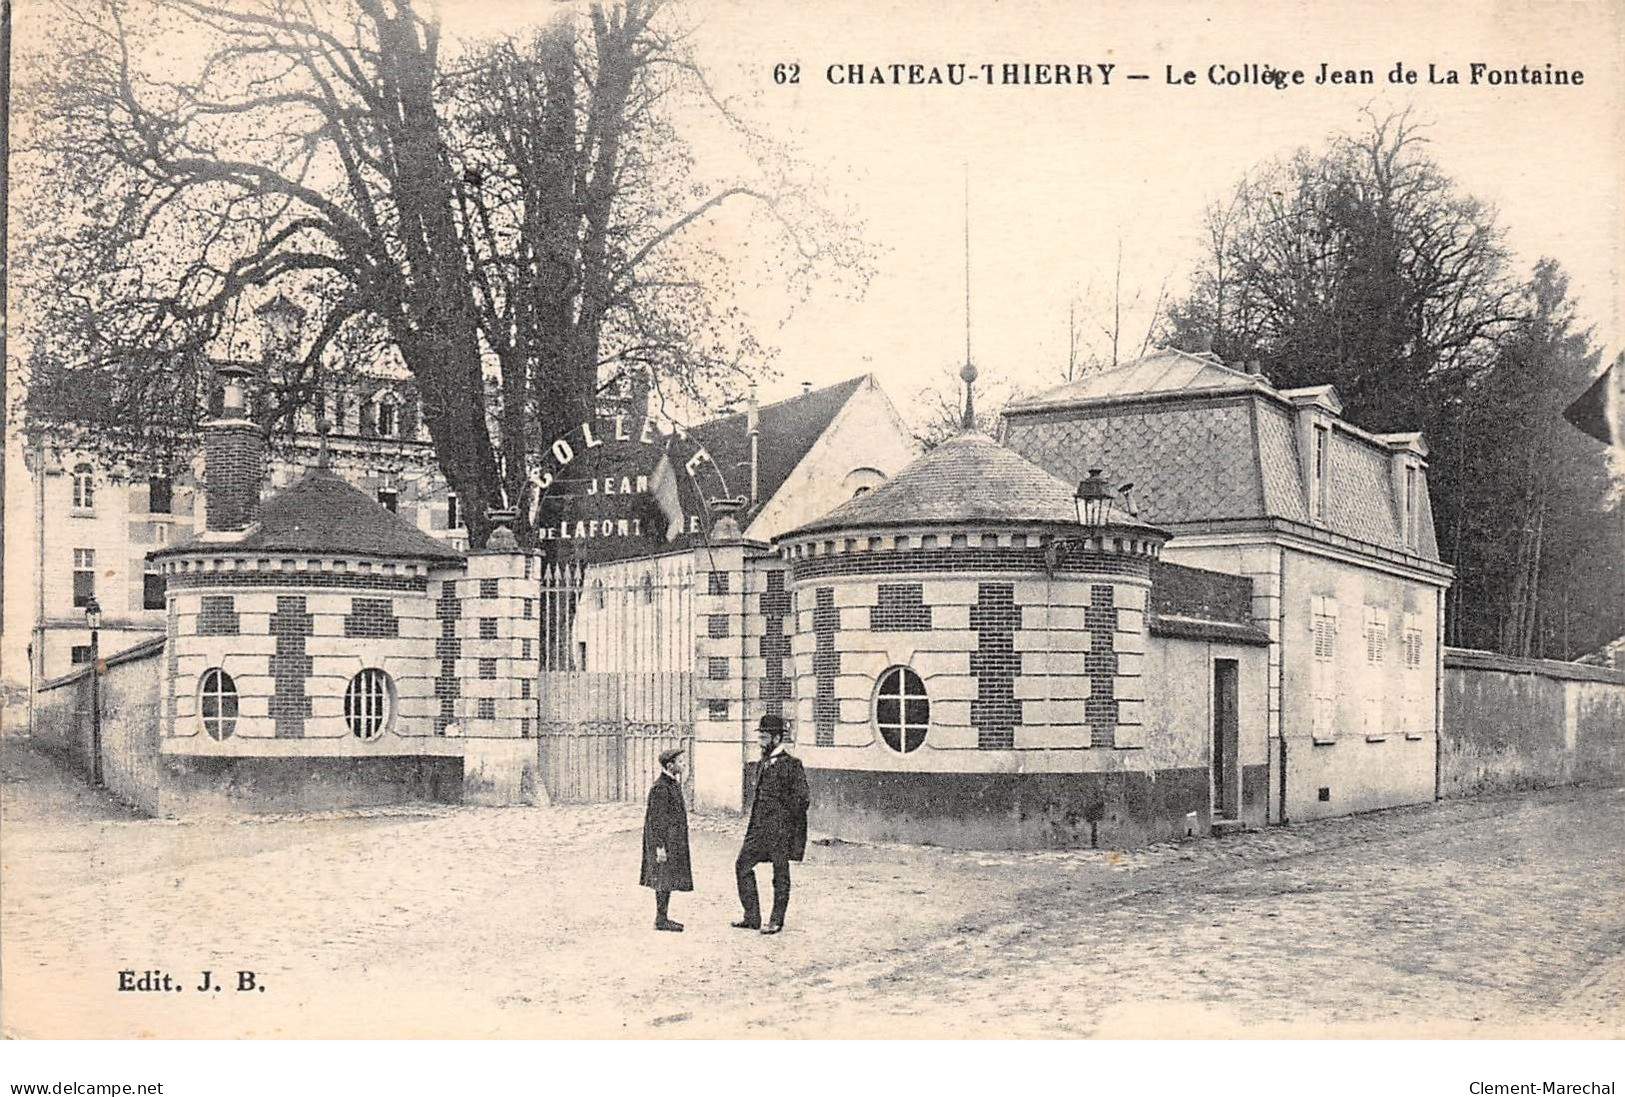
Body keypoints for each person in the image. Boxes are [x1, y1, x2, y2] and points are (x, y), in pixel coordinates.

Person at [733, 715, 809, 935]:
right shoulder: (762, 763)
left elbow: (803, 799)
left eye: (765, 737)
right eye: (760, 737)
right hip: (758, 829)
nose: (760, 742)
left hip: (780, 831)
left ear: (776, 738)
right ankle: (752, 916)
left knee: (780, 874)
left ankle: (776, 920)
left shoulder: (792, 765)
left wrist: (783, 820)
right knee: (742, 866)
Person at [640, 748, 692, 932]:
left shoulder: (671, 783)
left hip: (672, 841)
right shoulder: (661, 787)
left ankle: (663, 918)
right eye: (680, 762)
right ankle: (661, 920)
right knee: (663, 878)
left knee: (667, 878)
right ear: (670, 765)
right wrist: (660, 847)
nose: (684, 764)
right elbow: (656, 820)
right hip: (664, 842)